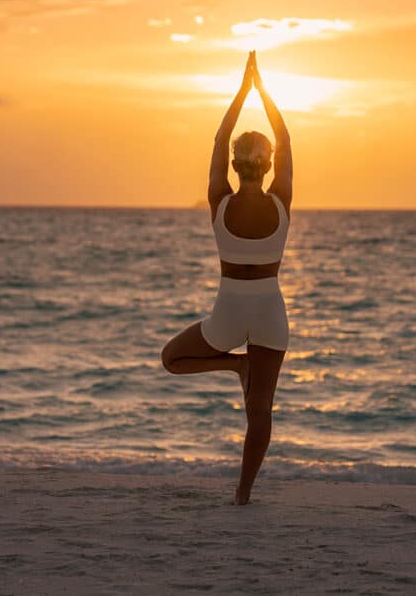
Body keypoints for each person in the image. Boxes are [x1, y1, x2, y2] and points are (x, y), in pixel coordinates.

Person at [161, 50, 292, 506]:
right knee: (260, 412)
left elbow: (220, 138)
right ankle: (243, 494)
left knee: (171, 359)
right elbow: (284, 138)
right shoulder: (281, 200)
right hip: (271, 312)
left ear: (235, 165)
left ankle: (234, 365)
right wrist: (263, 91)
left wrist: (242, 91)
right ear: (269, 165)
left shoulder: (219, 200)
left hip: (228, 315)